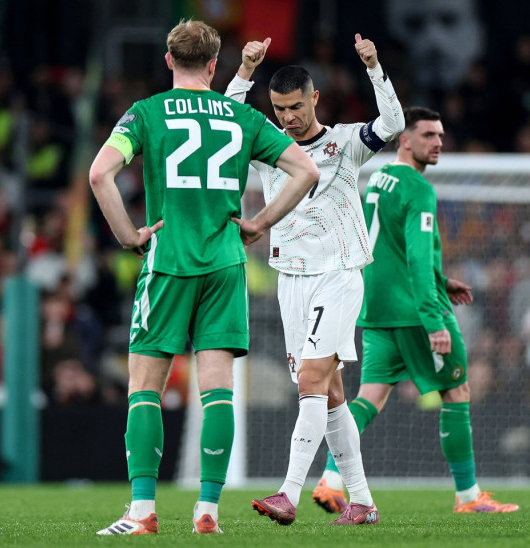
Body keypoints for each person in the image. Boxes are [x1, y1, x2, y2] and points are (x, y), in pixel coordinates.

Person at [90, 20, 320, 535]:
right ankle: (209, 511)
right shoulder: (242, 116)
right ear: (216, 66)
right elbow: (307, 170)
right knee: (217, 390)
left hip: (168, 261)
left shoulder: (146, 113)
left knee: (145, 388)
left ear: (169, 60)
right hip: (224, 265)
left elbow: (99, 174)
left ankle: (143, 511)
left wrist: (129, 235)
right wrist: (260, 222)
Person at [224, 34, 404, 526]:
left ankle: (289, 493)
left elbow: (393, 124)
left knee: (309, 379)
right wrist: (243, 71)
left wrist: (373, 66)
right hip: (291, 280)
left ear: (314, 99)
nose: (287, 118)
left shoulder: (345, 142)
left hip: (340, 275)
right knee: (328, 395)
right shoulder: (270, 148)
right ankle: (363, 502)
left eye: (296, 107)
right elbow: (229, 119)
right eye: (280, 108)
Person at [314, 106, 520, 514]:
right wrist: (434, 319)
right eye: (428, 135)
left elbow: (389, 246)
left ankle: (329, 481)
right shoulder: (418, 189)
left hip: (376, 307)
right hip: (413, 310)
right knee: (457, 390)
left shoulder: (380, 180)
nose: (438, 143)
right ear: (404, 140)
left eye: (441, 135)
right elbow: (416, 259)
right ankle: (469, 496)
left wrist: (442, 280)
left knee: (369, 397)